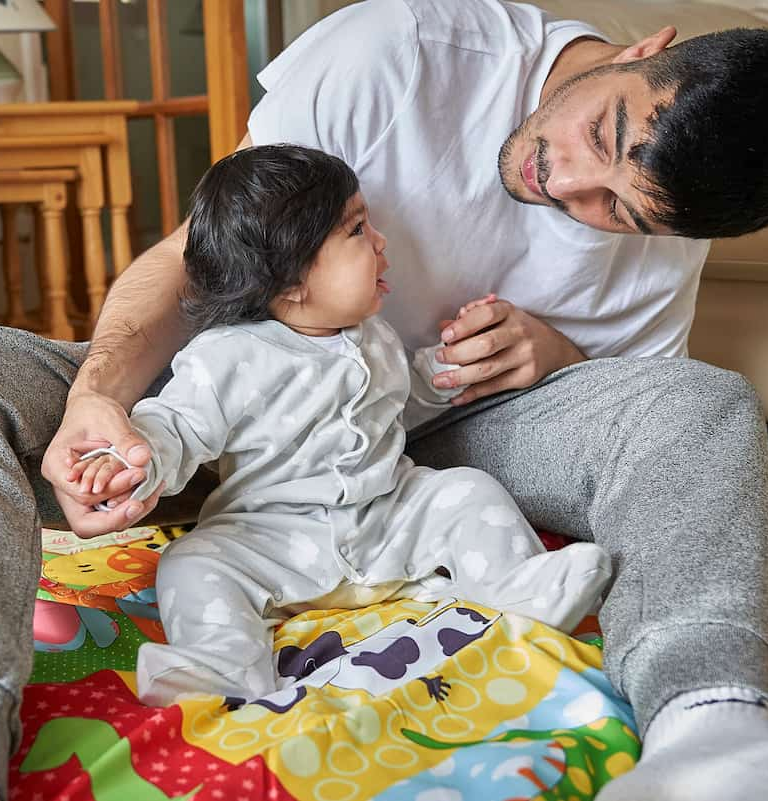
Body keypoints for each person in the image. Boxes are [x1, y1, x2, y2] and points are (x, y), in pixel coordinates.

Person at [0, 2, 768, 801]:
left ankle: (715, 729)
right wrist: (98, 401)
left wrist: (553, 351)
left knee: (701, 402)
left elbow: (636, 410)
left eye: (619, 209)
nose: (567, 185)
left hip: (426, 445)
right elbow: (198, 262)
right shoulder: (399, 51)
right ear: (647, 47)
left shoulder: (672, 226)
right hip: (207, 410)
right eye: (597, 131)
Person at [75, 143, 612, 705]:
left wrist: (448, 367)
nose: (380, 242)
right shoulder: (226, 357)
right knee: (191, 563)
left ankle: (515, 591)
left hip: (385, 517)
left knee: (466, 491)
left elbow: (396, 399)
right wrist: (132, 461)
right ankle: (223, 664)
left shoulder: (373, 337)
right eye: (357, 231)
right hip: (272, 535)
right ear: (288, 281)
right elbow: (177, 426)